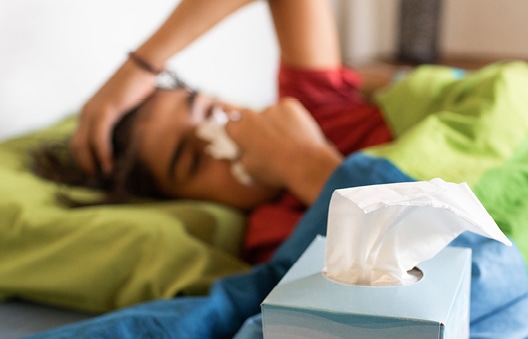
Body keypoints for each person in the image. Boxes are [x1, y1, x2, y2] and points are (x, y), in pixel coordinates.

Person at [45, 0, 393, 264]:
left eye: (209, 109)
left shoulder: (314, 105)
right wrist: (299, 163)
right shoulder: (273, 234)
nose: (220, 132)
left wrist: (141, 66)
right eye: (194, 160)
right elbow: (405, 265)